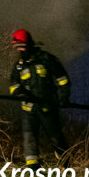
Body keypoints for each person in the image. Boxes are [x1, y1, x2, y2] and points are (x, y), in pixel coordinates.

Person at [9, 29, 70, 168]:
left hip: (47, 106)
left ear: (30, 44)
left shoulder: (46, 59)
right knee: (29, 138)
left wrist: (63, 97)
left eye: (23, 46)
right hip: (28, 109)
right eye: (18, 47)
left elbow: (62, 79)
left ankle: (65, 166)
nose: (21, 50)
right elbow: (13, 85)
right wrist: (20, 93)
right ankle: (33, 168)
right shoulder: (18, 66)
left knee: (56, 138)